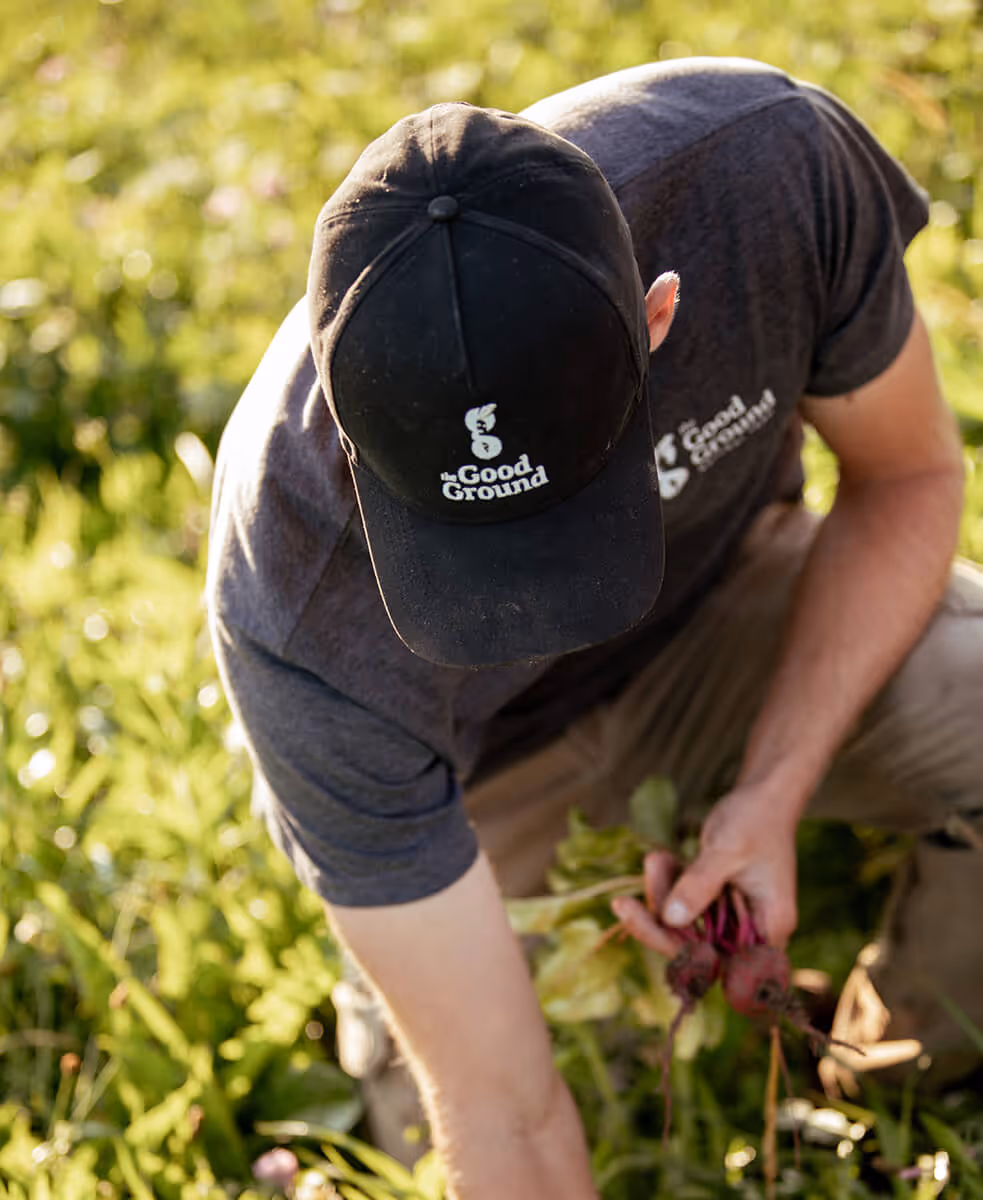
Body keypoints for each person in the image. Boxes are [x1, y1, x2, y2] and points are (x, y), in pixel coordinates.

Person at [206, 57, 981, 1198]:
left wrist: (770, 790)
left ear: (658, 314)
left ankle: (891, 1077)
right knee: (468, 1123)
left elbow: (907, 479)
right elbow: (504, 1120)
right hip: (480, 789)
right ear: (343, 423)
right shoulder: (288, 594)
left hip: (722, 620)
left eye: (573, 500)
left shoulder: (764, 172)